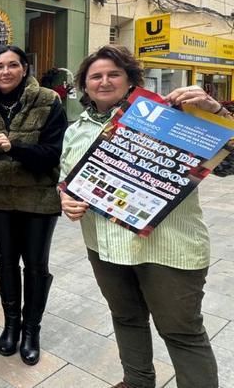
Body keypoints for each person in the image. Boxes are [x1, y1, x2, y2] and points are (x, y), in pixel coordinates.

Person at [60, 45, 232, 388]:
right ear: (85, 85)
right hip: (104, 247)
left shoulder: (169, 117)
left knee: (181, 332)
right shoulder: (75, 129)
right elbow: (67, 180)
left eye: (114, 74)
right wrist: (65, 197)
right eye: (96, 76)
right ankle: (137, 382)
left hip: (167, 249)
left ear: (130, 79)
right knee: (126, 317)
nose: (104, 81)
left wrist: (216, 112)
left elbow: (227, 165)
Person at [0, 44, 67, 365]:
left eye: (12, 65)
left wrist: (13, 146)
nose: (5, 72)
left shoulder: (48, 101)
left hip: (38, 199)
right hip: (0, 199)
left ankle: (31, 330)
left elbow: (53, 154)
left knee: (35, 266)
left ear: (25, 68)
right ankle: (11, 325)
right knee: (6, 262)